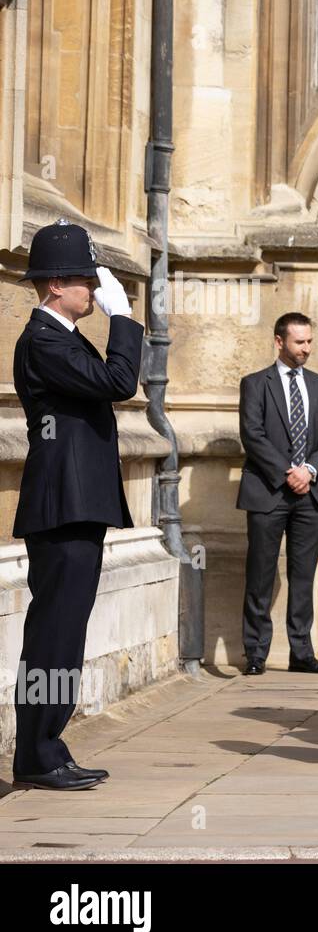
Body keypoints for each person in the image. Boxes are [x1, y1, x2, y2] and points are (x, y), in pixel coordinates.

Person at [10, 219, 143, 791]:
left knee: (65, 634)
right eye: (87, 281)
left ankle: (48, 747)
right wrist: (126, 321)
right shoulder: (45, 339)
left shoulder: (62, 336)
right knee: (54, 634)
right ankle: (37, 754)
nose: (95, 291)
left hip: (77, 505)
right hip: (62, 507)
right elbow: (118, 381)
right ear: (56, 284)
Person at [237, 312, 318, 676]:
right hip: (268, 491)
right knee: (260, 574)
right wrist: (288, 473)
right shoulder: (254, 384)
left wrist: (309, 470)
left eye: (310, 342)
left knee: (303, 576)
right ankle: (255, 653)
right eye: (299, 342)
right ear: (280, 342)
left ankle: (301, 653)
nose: (306, 349)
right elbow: (252, 435)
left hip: (311, 494)